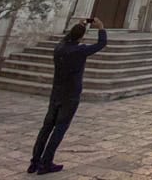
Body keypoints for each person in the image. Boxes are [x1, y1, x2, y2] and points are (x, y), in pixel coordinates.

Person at [29, 18, 107, 175]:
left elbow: (66, 39)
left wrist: (80, 25)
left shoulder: (59, 48)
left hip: (56, 93)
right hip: (70, 95)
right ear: (81, 37)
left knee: (46, 128)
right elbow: (101, 44)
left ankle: (34, 162)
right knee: (60, 128)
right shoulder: (79, 51)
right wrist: (101, 28)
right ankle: (46, 163)